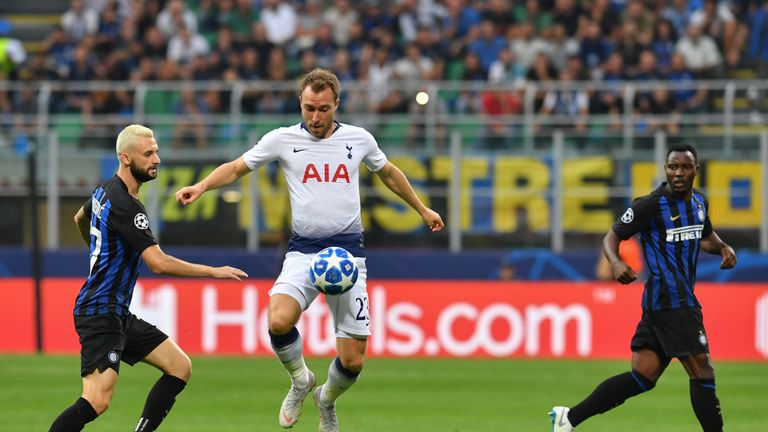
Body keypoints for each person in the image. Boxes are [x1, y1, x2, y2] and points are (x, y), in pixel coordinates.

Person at [175, 68, 444, 432]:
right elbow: (238, 167)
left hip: (349, 257)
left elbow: (390, 173)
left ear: (337, 104)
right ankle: (301, 380)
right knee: (277, 320)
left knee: (353, 361)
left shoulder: (358, 139)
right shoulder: (282, 139)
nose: (315, 118)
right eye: (308, 109)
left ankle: (326, 399)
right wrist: (202, 186)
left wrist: (422, 209)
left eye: (323, 109)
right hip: (304, 251)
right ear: (300, 105)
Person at [49, 124, 248, 432]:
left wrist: (97, 254)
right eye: (149, 154)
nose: (157, 159)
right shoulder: (126, 206)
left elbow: (80, 217)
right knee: (96, 400)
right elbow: (158, 263)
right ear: (126, 158)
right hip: (100, 312)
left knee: (179, 367)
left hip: (115, 311)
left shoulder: (105, 189)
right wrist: (213, 271)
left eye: (156, 151)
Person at [550, 143, 737, 432]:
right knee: (703, 370)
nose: (678, 172)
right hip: (671, 299)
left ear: (695, 171)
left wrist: (723, 247)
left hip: (662, 303)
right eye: (673, 166)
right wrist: (614, 262)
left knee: (643, 376)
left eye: (685, 167)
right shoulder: (649, 206)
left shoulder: (699, 204)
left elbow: (705, 234)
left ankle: (568, 419)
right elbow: (611, 237)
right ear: (666, 169)